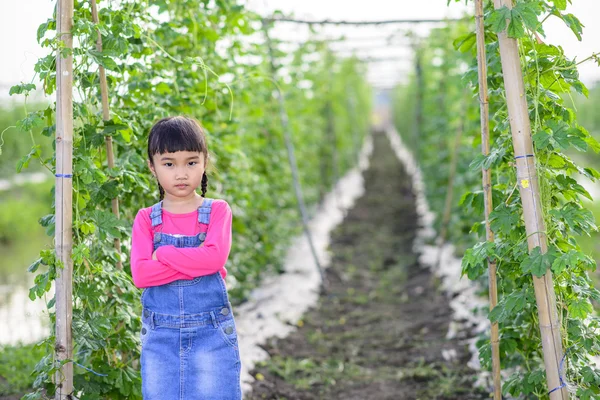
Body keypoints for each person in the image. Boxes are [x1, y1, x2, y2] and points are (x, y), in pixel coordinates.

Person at [129, 116, 241, 399]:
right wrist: (196, 262)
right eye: (169, 163)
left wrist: (164, 253)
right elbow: (141, 275)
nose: (181, 173)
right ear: (152, 167)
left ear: (204, 162)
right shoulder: (146, 219)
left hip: (210, 332)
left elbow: (214, 260)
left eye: (191, 162)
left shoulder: (217, 211)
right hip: (160, 338)